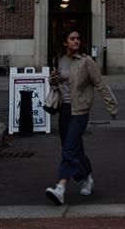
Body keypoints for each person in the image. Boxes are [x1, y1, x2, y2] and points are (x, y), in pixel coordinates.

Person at [45, 29, 118, 206]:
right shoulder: (58, 60)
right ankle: (87, 177)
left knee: (69, 149)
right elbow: (55, 83)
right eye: (72, 38)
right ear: (65, 42)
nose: (76, 41)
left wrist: (112, 105)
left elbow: (100, 84)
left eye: (78, 38)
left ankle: (61, 188)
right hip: (64, 110)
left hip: (80, 111)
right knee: (73, 147)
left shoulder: (86, 62)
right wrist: (53, 81)